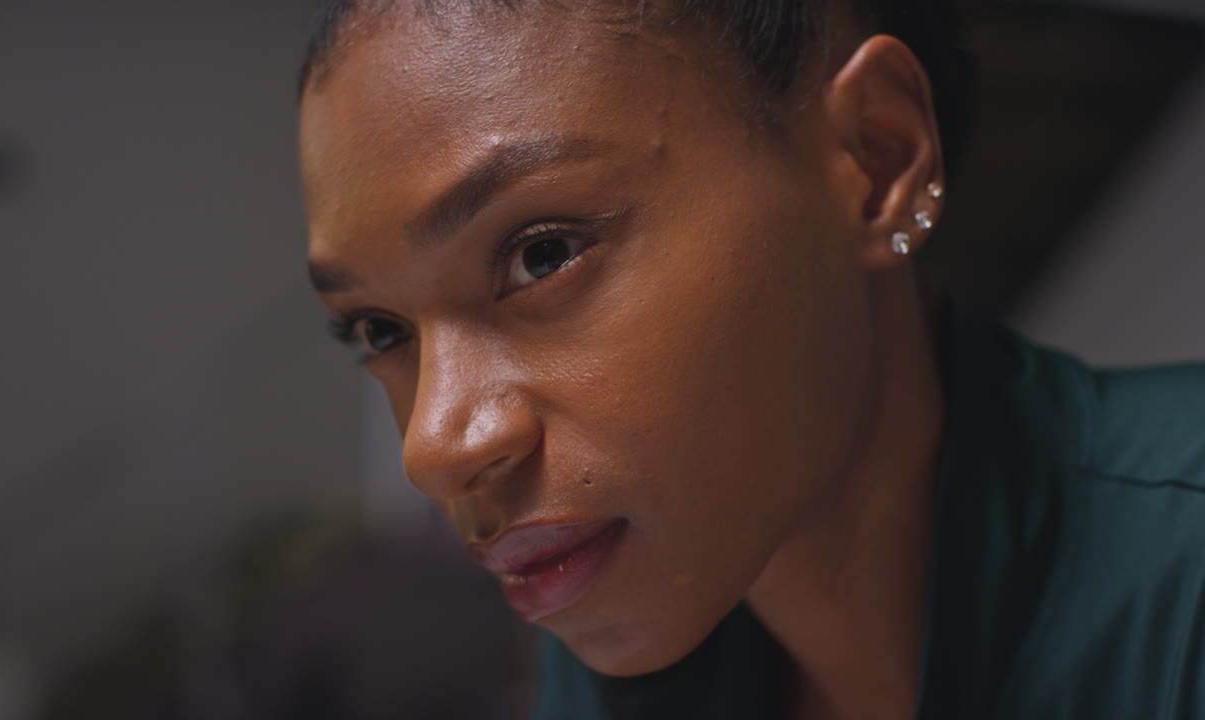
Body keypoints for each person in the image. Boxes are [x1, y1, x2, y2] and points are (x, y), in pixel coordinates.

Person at [294, 0, 1205, 717]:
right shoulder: (641, 642)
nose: (435, 448)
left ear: (874, 157)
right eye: (381, 331)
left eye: (543, 252)